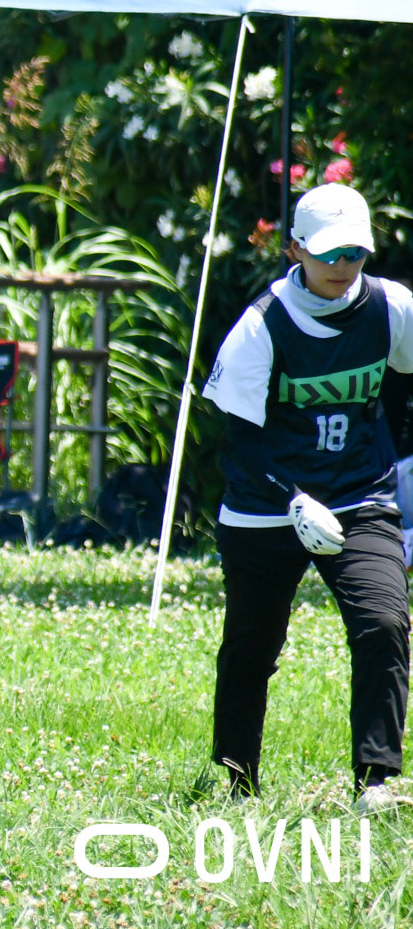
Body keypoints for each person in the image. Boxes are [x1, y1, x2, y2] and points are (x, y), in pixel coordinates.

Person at [202, 183, 413, 814]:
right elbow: (238, 443)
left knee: (384, 622)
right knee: (251, 646)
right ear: (294, 249)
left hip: (358, 496)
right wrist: (292, 499)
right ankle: (236, 781)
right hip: (264, 507)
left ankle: (375, 782)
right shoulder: (260, 327)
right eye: (327, 254)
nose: (342, 267)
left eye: (355, 253)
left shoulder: (392, 308)